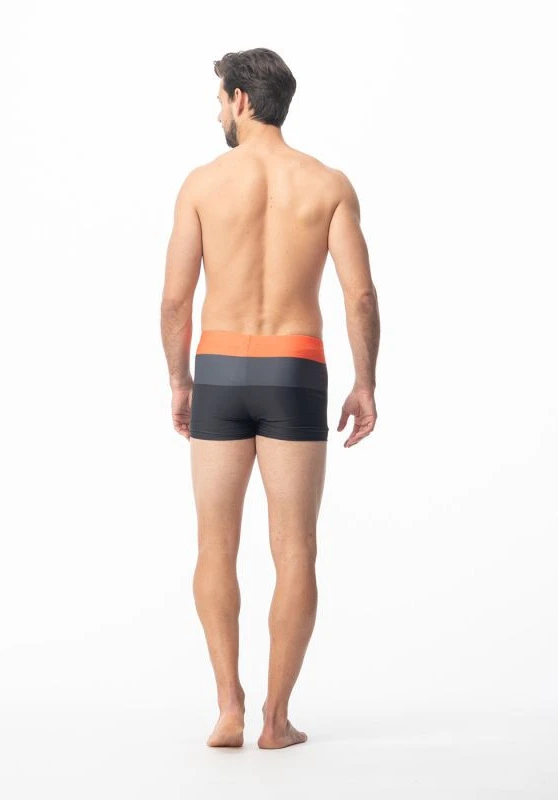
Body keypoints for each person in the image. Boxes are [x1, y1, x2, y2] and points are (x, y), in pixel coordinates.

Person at [160, 47, 380, 749]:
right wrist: (365, 382)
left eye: (219, 100)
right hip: (294, 369)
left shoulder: (202, 184)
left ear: (241, 100)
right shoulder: (327, 185)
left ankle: (228, 708)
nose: (216, 113)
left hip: (220, 369)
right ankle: (276, 720)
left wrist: (180, 381)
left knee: (214, 544)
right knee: (295, 550)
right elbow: (360, 295)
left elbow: (175, 301)